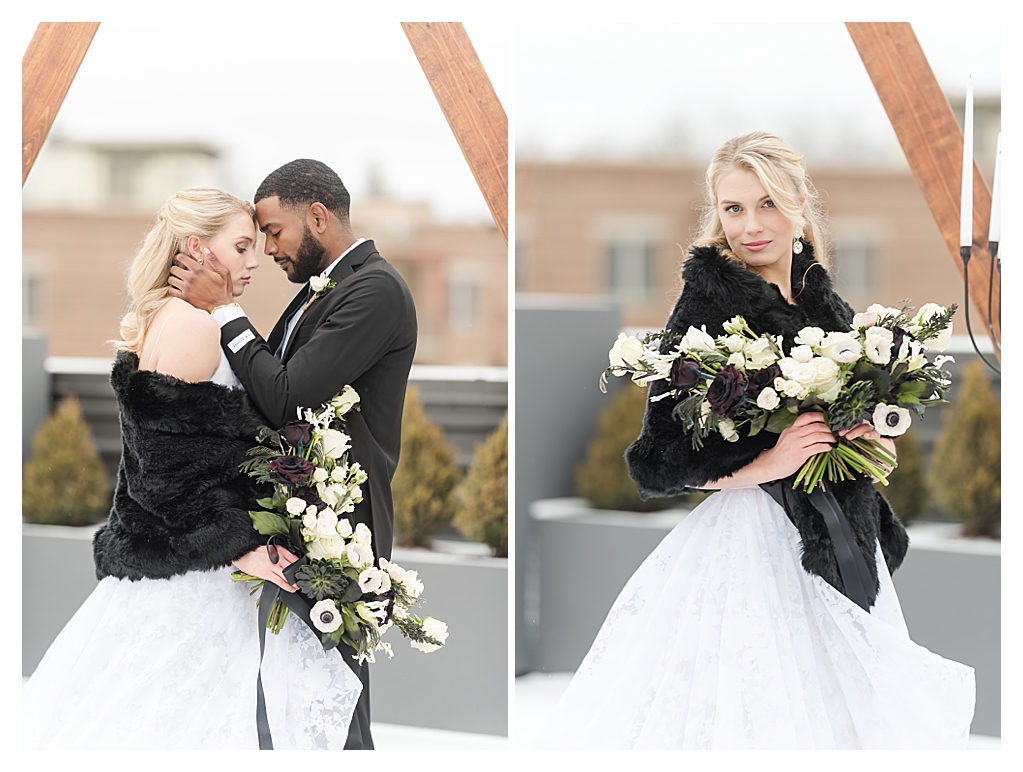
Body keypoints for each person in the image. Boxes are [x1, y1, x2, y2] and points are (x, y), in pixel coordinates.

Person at [535, 132, 976, 750]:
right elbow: (661, 460)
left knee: (839, 722)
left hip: (837, 533)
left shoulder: (827, 302)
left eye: (765, 204)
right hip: (753, 543)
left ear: (797, 201)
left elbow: (874, 451)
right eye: (732, 208)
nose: (750, 225)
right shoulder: (706, 299)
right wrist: (770, 458)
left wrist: (869, 437)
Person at [22, 188, 363, 749]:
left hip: (185, 565)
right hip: (187, 577)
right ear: (195, 248)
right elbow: (162, 470)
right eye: (241, 246)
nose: (255, 262)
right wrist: (241, 543)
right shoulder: (194, 325)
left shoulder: (185, 317)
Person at [167, 159, 418, 750]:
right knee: (284, 708)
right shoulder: (317, 293)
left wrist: (225, 308)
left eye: (274, 232)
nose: (268, 248)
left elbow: (285, 395)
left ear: (319, 216)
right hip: (287, 528)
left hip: (338, 529)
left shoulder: (375, 289)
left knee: (329, 708)